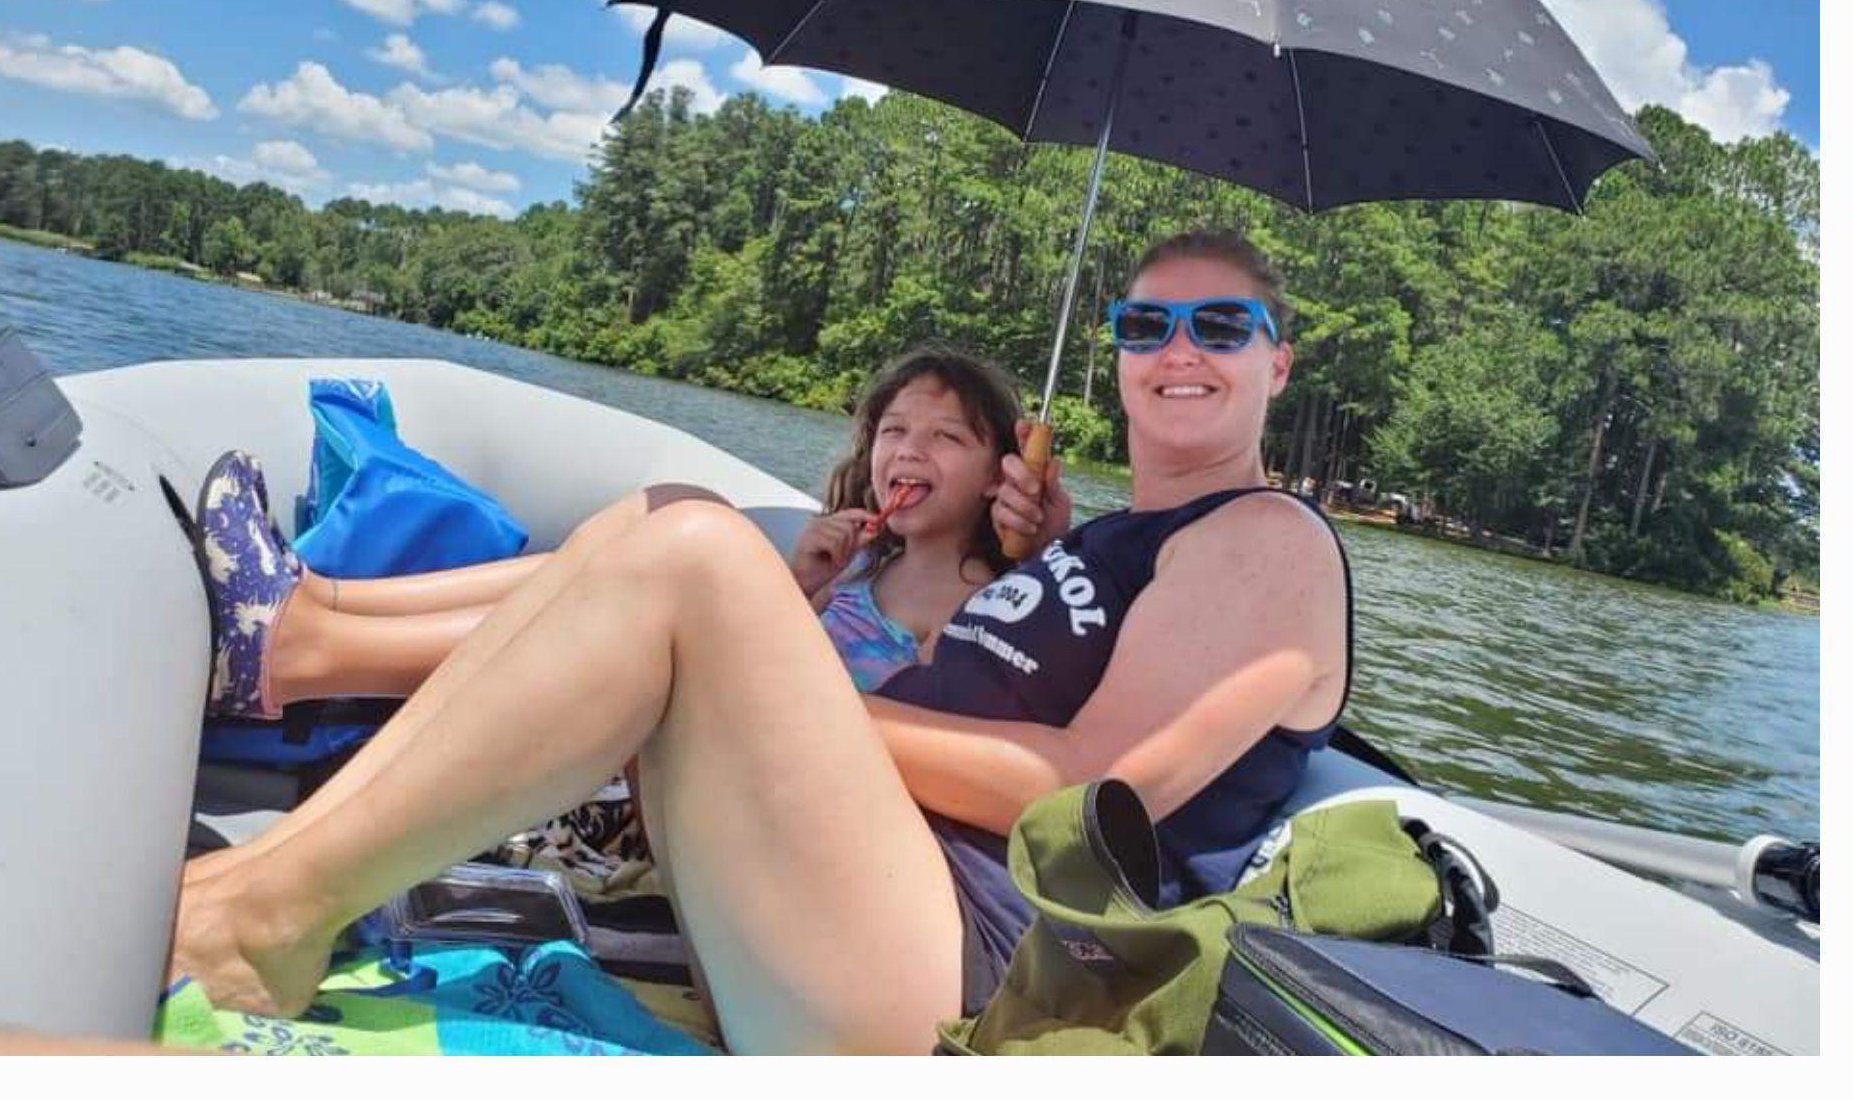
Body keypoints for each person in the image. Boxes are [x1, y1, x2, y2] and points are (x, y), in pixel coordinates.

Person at [163, 232, 1350, 1055]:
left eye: (1222, 326)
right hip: (853, 899)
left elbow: (1087, 792)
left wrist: (798, 695)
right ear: (1120, 351)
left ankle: (256, 920)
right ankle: (303, 665)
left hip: (965, 981)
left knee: (702, 554)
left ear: (1278, 363)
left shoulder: (1268, 539)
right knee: (672, 518)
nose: (1179, 347)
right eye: (1148, 322)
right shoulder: (1119, 544)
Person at [181, 346, 1038, 722]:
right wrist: (806, 582)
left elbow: (854, 711)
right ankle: (326, 601)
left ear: (999, 470)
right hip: (720, 714)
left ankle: (308, 651)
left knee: (680, 558)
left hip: (751, 769)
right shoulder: (862, 562)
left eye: (946, 437)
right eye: (894, 429)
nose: (908, 449)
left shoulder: (983, 604)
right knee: (675, 503)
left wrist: (1031, 543)